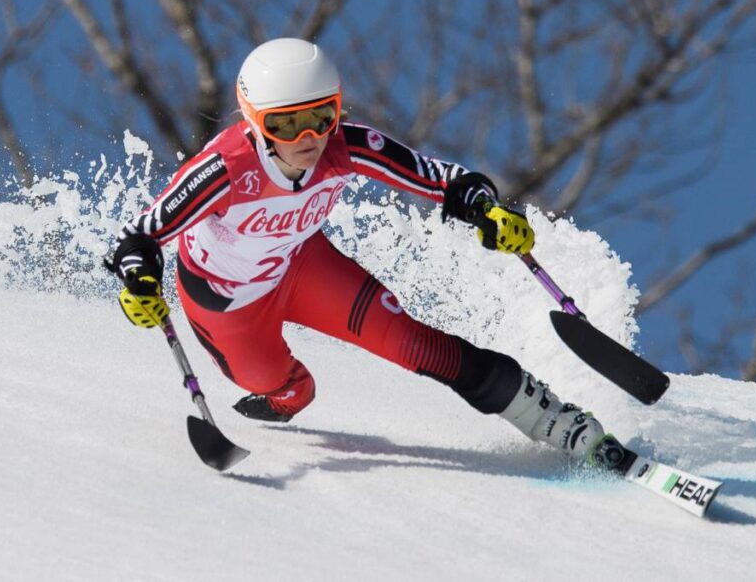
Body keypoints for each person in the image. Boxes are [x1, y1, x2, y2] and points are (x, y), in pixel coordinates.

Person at [107, 37, 622, 465]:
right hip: (225, 303)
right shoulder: (224, 169)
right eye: (286, 125)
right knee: (283, 387)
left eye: (322, 115)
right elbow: (140, 236)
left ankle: (551, 419)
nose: (308, 137)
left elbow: (440, 179)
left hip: (302, 267)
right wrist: (139, 283)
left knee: (413, 344)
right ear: (255, 122)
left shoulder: (343, 147)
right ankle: (288, 394)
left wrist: (484, 209)